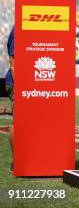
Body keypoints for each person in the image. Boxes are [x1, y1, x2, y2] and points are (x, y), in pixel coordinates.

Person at [6, 26, 14, 172]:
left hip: (35, 82)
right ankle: (18, 160)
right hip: (16, 81)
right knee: (19, 121)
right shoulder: (21, 26)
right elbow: (14, 63)